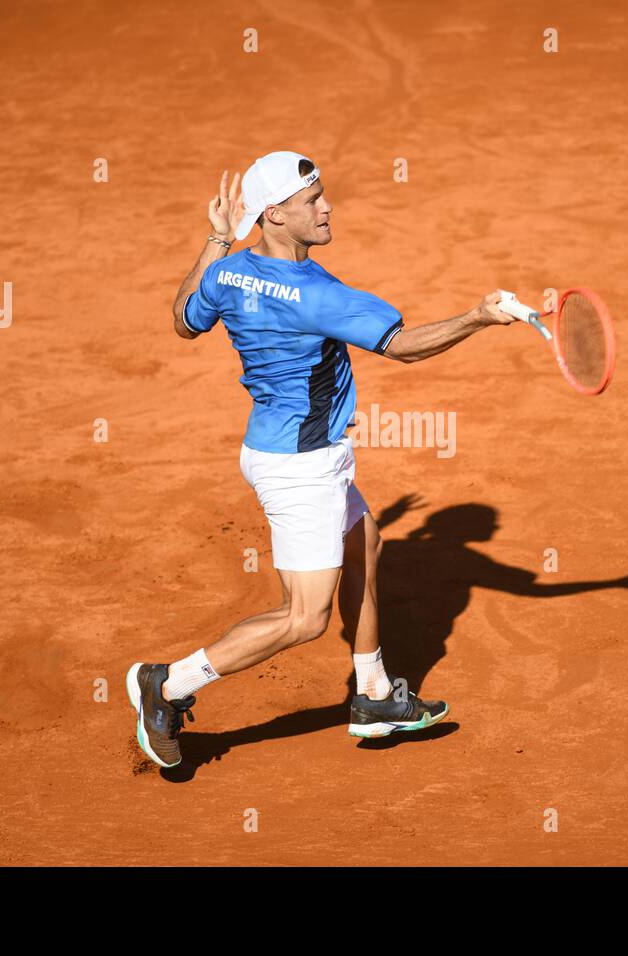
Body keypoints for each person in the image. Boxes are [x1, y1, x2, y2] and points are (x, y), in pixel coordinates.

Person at [127, 150, 516, 768]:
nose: (327, 207)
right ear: (276, 215)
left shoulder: (227, 274)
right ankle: (168, 684)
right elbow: (406, 348)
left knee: (366, 543)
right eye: (312, 201)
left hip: (282, 448)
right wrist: (478, 317)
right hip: (301, 467)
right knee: (303, 620)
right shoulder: (315, 295)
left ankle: (372, 694)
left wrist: (216, 240)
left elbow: (182, 320)